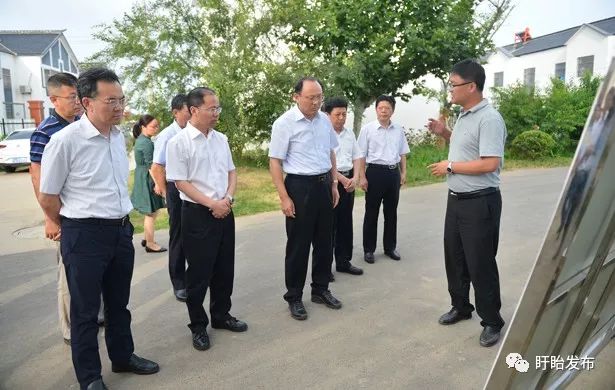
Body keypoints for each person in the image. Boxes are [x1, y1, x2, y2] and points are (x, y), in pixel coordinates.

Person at [38, 68, 159, 390]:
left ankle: (122, 357)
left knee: (119, 303)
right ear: (87, 102)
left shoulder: (117, 137)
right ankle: (90, 377)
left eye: (122, 100)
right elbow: (48, 196)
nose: (119, 107)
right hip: (84, 234)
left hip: (120, 230)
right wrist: (71, 225)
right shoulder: (65, 142)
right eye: (111, 101)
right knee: (86, 311)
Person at [427, 59, 507, 348]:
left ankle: (492, 321)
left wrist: (450, 167)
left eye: (454, 84)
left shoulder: (490, 118)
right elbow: (467, 148)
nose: (450, 89)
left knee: (480, 262)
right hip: (457, 201)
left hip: (480, 202)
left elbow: (489, 163)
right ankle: (461, 306)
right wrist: (443, 133)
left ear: (472, 86)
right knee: (455, 257)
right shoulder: (464, 114)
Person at [166, 87, 247, 352]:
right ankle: (198, 325)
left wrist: (227, 200)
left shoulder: (220, 139)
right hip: (198, 214)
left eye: (218, 108)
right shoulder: (178, 142)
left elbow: (232, 172)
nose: (216, 114)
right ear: (193, 110)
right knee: (199, 273)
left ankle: (221, 315)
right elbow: (181, 182)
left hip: (225, 209)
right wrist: (212, 203)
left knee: (225, 268)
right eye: (212, 109)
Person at [29, 72, 104, 345]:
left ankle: (95, 316)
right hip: (64, 215)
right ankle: (72, 328)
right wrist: (50, 218)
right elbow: (37, 177)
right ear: (53, 99)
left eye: (78, 96)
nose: (77, 102)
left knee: (95, 271)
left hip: (91, 215)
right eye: (71, 97)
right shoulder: (46, 132)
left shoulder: (86, 125)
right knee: (68, 275)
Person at [269, 77, 342, 321]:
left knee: (324, 242)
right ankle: (294, 296)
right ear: (296, 96)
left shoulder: (324, 121)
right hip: (299, 187)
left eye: (319, 96)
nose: (316, 101)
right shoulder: (284, 123)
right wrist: (284, 197)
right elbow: (275, 161)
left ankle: (321, 289)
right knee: (299, 245)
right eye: (310, 97)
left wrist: (334, 184)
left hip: (323, 185)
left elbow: (331, 151)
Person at [358, 95, 409, 264]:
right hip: (374, 173)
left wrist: (403, 173)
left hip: (393, 173)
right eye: (381, 108)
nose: (384, 111)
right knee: (371, 213)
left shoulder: (398, 130)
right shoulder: (367, 130)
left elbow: (402, 153)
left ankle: (390, 248)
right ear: (376, 110)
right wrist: (362, 176)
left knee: (391, 213)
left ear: (392, 111)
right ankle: (369, 250)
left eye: (387, 108)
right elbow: (361, 156)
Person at [151, 94, 191, 302]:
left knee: (194, 233)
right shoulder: (168, 135)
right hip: (175, 189)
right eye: (188, 111)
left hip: (193, 188)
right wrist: (167, 195)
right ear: (176, 112)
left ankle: (193, 277)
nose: (192, 114)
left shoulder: (195, 132)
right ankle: (179, 282)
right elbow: (157, 167)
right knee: (178, 235)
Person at [323, 97, 364, 280]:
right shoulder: (323, 133)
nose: (341, 118)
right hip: (331, 182)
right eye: (337, 114)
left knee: (346, 224)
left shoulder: (349, 134)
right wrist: (339, 178)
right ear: (328, 115)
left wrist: (355, 177)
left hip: (349, 182)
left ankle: (343, 262)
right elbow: (325, 161)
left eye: (344, 114)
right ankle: (325, 267)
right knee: (328, 226)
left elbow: (357, 156)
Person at [130, 114, 167, 253]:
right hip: (147, 178)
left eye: (157, 125)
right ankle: (150, 243)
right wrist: (158, 183)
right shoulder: (145, 143)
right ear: (143, 127)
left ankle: (147, 238)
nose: (156, 129)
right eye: (153, 126)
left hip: (142, 175)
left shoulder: (142, 140)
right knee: (151, 213)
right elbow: (151, 166)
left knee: (152, 211)